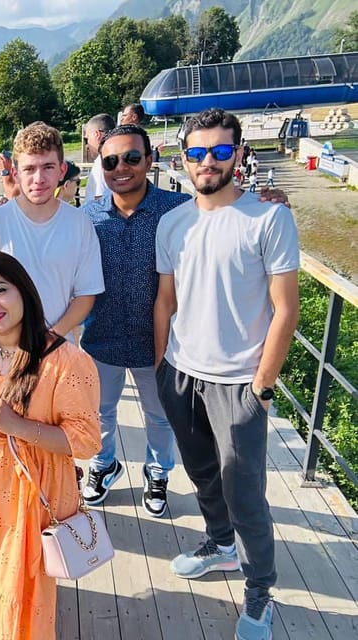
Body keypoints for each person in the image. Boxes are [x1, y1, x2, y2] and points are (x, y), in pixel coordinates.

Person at [154, 107, 300, 640]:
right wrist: (161, 367)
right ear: (183, 158)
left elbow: (286, 309)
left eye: (219, 151)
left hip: (239, 383)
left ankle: (259, 592)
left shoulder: (269, 218)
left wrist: (262, 387)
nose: (208, 161)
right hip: (180, 374)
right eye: (197, 152)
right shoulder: (173, 223)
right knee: (202, 474)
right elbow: (166, 300)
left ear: (238, 153)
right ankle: (219, 545)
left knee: (247, 496)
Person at [0, 250, 100, 639]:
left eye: (0, 290)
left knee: (22, 590)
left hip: (32, 492)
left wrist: (17, 425)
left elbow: (85, 441)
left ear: (23, 291)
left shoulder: (65, 361)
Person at [79, 125, 190, 516]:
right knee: (99, 413)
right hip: (102, 336)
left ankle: (157, 472)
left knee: (160, 415)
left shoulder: (179, 210)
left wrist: (265, 201)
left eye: (131, 157)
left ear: (149, 159)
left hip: (157, 340)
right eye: (111, 161)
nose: (121, 168)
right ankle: (103, 463)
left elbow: (223, 215)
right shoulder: (88, 216)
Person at [0, 121, 104, 344]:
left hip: (58, 349)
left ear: (62, 171)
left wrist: (50, 338)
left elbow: (86, 294)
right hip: (2, 350)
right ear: (15, 173)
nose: (39, 178)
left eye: (48, 167)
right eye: (29, 169)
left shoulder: (79, 224)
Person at [84, 113, 115, 201]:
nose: (87, 145)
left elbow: (99, 200)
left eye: (87, 138)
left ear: (97, 134)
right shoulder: (117, 157)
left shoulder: (102, 161)